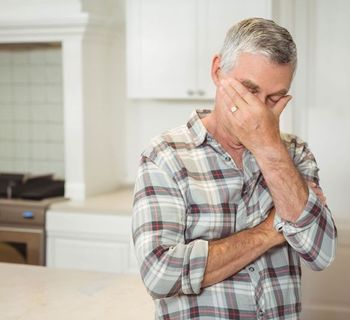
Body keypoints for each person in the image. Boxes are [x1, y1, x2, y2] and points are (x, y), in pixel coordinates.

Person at [132, 17, 337, 319]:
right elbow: (160, 275)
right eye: (248, 91)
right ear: (217, 71)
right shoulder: (164, 156)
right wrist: (270, 230)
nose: (258, 110)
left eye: (274, 98)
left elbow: (321, 253)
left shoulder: (294, 153)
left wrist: (269, 148)